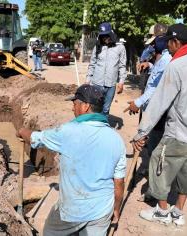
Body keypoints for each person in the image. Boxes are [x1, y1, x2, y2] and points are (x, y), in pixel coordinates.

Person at [132, 24, 187, 226]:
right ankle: (178, 212)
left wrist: (141, 132)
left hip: (179, 130)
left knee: (157, 164)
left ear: (176, 42)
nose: (167, 46)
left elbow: (159, 102)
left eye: (168, 42)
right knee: (186, 172)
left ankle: (162, 212)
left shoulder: (175, 67)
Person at [17, 84, 126, 236]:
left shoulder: (67, 131)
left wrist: (22, 131)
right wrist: (116, 208)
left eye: (75, 104)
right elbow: (119, 183)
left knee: (50, 231)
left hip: (73, 211)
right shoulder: (117, 139)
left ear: (86, 106)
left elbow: (37, 138)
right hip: (102, 211)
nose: (72, 108)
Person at [124, 35, 172, 174]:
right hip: (152, 106)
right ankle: (152, 171)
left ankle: (155, 180)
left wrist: (138, 102)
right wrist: (150, 66)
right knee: (152, 141)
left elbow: (156, 87)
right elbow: (155, 77)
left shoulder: (166, 60)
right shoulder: (162, 59)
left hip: (158, 110)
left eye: (153, 45)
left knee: (154, 143)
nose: (150, 48)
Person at [86, 22, 127, 116]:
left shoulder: (120, 47)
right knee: (95, 108)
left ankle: (103, 127)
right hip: (97, 83)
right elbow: (92, 64)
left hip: (110, 85)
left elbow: (122, 66)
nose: (105, 38)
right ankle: (95, 127)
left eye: (107, 35)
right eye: (102, 36)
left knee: (105, 109)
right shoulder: (97, 47)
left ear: (111, 34)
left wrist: (121, 82)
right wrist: (87, 80)